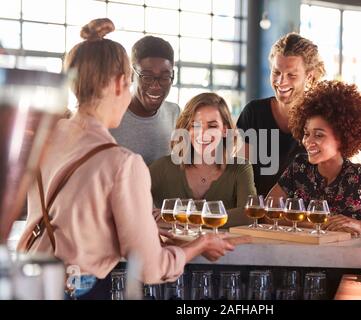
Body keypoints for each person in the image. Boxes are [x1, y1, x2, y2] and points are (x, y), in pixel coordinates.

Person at [16, 19, 234, 299]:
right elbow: (150, 267)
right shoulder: (123, 164)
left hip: (28, 281)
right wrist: (200, 245)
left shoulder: (47, 138)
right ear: (122, 82)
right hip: (78, 289)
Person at [267, 80, 361, 234]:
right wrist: (317, 226)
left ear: (342, 138)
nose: (308, 141)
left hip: (353, 256)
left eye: (319, 135)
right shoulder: (299, 168)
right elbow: (268, 212)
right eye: (306, 133)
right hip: (306, 255)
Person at [237, 32, 325, 196]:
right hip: (258, 214)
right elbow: (241, 173)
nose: (281, 82)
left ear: (310, 77)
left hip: (303, 217)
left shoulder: (322, 119)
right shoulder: (254, 113)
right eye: (276, 72)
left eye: (291, 75)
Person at [150, 92, 256, 227]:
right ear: (187, 129)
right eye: (195, 125)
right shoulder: (163, 167)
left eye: (212, 126)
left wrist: (184, 217)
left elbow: (248, 215)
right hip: (177, 247)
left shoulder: (240, 168)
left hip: (226, 248)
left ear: (225, 130)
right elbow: (127, 198)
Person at [110, 35, 180, 165]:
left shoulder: (174, 113)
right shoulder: (110, 118)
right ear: (131, 75)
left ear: (173, 76)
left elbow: (182, 169)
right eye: (147, 77)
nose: (156, 86)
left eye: (165, 77)